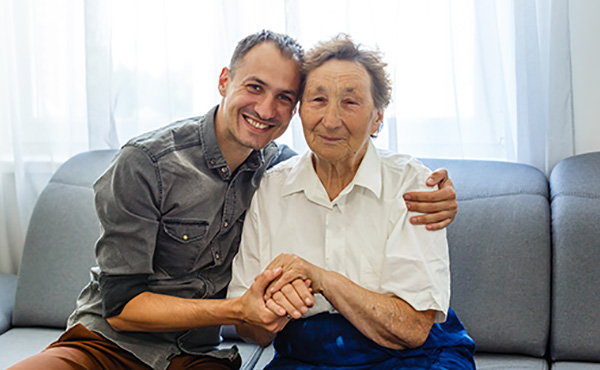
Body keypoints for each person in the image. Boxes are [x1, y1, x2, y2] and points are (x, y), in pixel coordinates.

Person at [9, 30, 457, 370]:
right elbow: (122, 309)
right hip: (106, 344)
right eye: (255, 87)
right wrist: (245, 310)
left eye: (284, 97)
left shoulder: (278, 170)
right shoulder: (148, 162)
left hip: (197, 356)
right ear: (225, 81)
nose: (266, 110)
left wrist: (446, 199)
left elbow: (347, 161)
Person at [227, 34, 475, 369]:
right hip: (305, 357)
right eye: (318, 100)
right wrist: (269, 309)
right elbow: (250, 330)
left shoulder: (414, 184)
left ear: (377, 118)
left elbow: (413, 329)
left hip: (414, 356)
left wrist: (322, 279)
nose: (330, 120)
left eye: (350, 102)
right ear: (299, 111)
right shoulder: (270, 187)